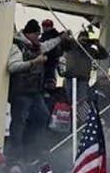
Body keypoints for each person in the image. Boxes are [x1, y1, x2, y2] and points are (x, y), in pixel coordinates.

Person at [6, 20, 66, 162]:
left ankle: (33, 146)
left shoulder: (37, 46)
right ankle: (16, 154)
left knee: (43, 116)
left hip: (34, 90)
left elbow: (48, 44)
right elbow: (12, 67)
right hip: (21, 91)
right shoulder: (17, 46)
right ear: (29, 33)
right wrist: (34, 62)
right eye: (36, 34)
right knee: (18, 123)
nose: (38, 37)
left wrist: (59, 38)